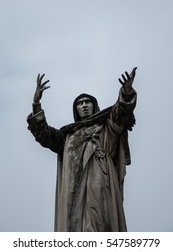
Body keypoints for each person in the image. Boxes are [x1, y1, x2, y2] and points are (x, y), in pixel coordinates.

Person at [27, 67, 137, 232]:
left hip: (101, 179)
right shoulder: (68, 136)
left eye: (87, 102)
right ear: (76, 110)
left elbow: (121, 113)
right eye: (80, 103)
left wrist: (126, 92)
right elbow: (45, 135)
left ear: (94, 106)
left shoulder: (106, 125)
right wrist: (36, 104)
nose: (84, 105)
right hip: (74, 186)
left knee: (101, 221)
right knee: (75, 225)